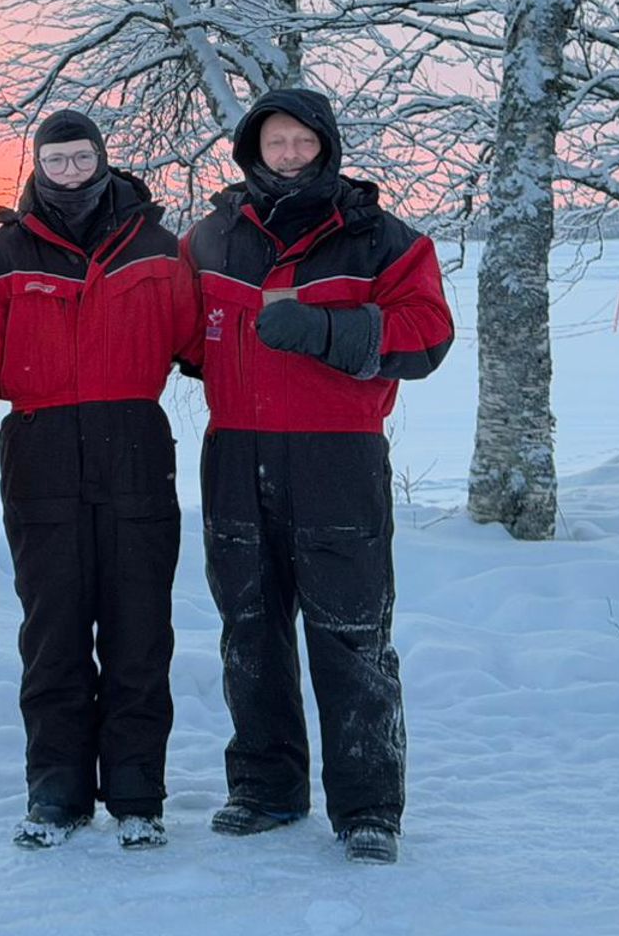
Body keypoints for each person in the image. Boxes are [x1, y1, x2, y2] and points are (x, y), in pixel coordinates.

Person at [183, 88, 453, 865]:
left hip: (339, 455)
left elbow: (428, 335)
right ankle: (266, 788)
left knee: (351, 633)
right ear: (251, 149)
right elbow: (171, 326)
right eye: (276, 141)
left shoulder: (380, 239)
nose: (290, 153)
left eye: (304, 140)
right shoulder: (211, 239)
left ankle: (368, 806)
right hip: (235, 452)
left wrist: (332, 331)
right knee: (248, 626)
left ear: (326, 146)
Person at [0, 110, 199, 850]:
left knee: (139, 631)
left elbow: (204, 342)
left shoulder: (158, 249)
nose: (72, 172)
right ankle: (57, 791)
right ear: (37, 167)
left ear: (104, 160)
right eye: (58, 160)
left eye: (83, 158)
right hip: (40, 451)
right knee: (52, 637)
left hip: (136, 448)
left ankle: (139, 795)